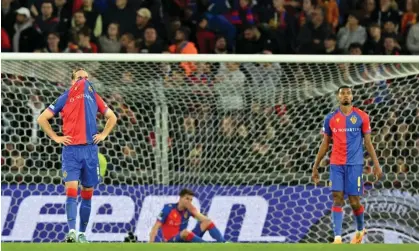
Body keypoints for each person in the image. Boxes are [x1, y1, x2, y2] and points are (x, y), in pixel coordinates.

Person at [37, 68, 117, 243]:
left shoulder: (94, 96)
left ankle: (81, 234)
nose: (84, 81)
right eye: (80, 78)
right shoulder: (65, 97)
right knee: (71, 191)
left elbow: (112, 117)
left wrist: (103, 134)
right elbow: (42, 118)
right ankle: (72, 231)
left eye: (87, 78)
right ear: (72, 81)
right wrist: (56, 137)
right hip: (71, 150)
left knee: (87, 192)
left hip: (90, 151)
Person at [312, 85, 383, 244]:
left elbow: (368, 143)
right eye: (342, 93)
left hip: (354, 165)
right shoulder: (330, 118)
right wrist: (315, 165)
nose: (345, 96)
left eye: (348, 93)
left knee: (354, 201)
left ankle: (360, 229)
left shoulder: (362, 116)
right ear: (338, 97)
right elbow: (325, 144)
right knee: (337, 198)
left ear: (352, 97)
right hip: (336, 164)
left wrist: (377, 165)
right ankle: (337, 237)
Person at [149, 188, 225, 243]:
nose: (189, 202)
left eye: (191, 200)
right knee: (185, 232)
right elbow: (155, 227)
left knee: (207, 223)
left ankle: (223, 243)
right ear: (180, 198)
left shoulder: (190, 209)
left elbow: (206, 220)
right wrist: (151, 244)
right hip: (171, 241)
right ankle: (208, 247)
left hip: (185, 239)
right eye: (187, 199)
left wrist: (195, 212)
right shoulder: (168, 209)